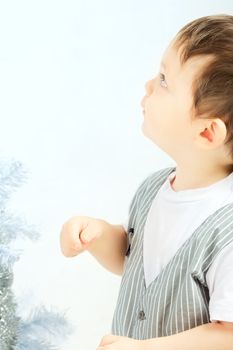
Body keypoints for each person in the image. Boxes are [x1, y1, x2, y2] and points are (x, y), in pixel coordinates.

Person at [60, 14, 233, 350]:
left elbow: (229, 334)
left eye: (165, 80)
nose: (149, 85)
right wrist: (97, 236)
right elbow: (130, 258)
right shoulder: (153, 189)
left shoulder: (226, 230)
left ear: (207, 132)